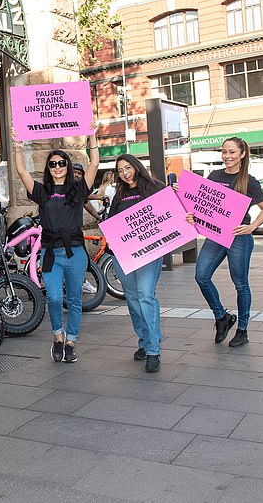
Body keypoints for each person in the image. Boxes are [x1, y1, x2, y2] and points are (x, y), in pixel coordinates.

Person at [13, 126, 99, 363]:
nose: (58, 167)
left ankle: (70, 342)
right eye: (53, 164)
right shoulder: (42, 192)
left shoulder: (78, 190)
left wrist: (92, 137)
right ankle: (57, 337)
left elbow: (93, 165)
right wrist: (18, 146)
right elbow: (21, 171)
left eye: (62, 163)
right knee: (52, 297)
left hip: (75, 253)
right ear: (48, 168)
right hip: (50, 253)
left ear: (68, 166)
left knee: (73, 300)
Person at [189, 137, 263, 347]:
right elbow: (203, 206)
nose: (227, 156)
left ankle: (242, 330)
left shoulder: (249, 181)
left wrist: (252, 227)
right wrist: (194, 217)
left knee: (240, 284)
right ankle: (222, 317)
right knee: (201, 276)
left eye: (232, 152)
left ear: (242, 154)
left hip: (239, 237)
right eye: (224, 152)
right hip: (216, 235)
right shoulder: (214, 176)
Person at [107, 155, 166, 373]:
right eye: (120, 170)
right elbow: (112, 221)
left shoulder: (155, 187)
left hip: (149, 254)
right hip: (123, 255)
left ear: (137, 167)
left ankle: (153, 350)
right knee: (132, 299)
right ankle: (144, 340)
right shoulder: (119, 194)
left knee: (145, 296)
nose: (125, 172)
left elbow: (171, 213)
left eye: (128, 167)